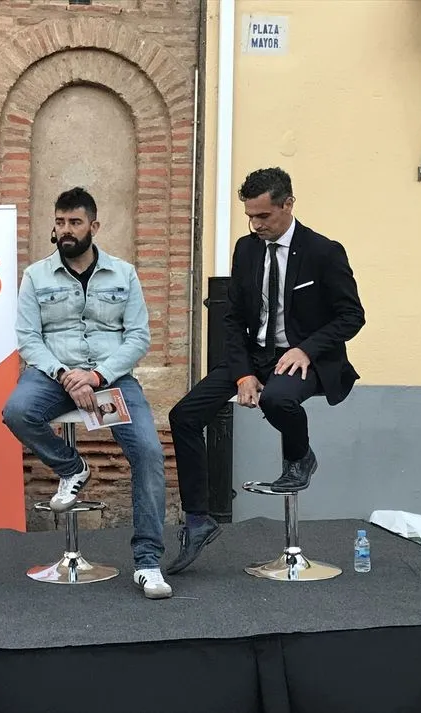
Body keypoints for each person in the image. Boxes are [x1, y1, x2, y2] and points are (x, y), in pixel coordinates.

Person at [166, 167, 365, 575]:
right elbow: (234, 318)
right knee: (183, 416)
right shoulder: (247, 248)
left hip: (303, 356)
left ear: (288, 205)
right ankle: (199, 520)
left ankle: (300, 458)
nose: (256, 226)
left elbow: (352, 316)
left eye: (264, 217)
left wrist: (307, 348)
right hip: (251, 355)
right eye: (250, 217)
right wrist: (241, 373)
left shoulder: (324, 252)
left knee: (277, 397)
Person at [2, 187, 172, 600]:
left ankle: (148, 562)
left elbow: (138, 337)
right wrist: (65, 375)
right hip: (52, 376)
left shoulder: (123, 274)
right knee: (17, 411)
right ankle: (72, 467)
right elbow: (28, 337)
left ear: (93, 226)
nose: (66, 230)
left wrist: (97, 376)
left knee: (149, 452)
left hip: (111, 379)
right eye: (60, 222)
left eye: (75, 222)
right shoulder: (36, 276)